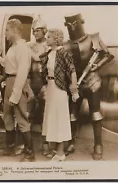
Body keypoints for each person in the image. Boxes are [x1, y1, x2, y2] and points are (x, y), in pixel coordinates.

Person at [63, 13, 114, 160]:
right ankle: (71, 142)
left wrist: (96, 66)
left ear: (80, 22)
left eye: (74, 23)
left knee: (95, 113)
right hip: (75, 82)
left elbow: (108, 55)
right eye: (69, 24)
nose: (72, 27)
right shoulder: (66, 45)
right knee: (72, 113)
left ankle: (98, 144)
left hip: (92, 81)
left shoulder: (94, 38)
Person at [40, 28, 79, 161]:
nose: (46, 39)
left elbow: (72, 71)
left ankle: (61, 153)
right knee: (51, 118)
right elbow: (45, 71)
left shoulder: (63, 53)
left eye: (49, 37)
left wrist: (74, 88)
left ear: (56, 39)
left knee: (59, 119)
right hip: (51, 88)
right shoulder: (49, 53)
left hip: (59, 89)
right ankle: (55, 150)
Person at [1, 18, 35, 162]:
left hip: (17, 84)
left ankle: (30, 153)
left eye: (7, 30)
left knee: (21, 118)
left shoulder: (22, 48)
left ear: (15, 30)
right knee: (7, 116)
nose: (5, 34)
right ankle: (10, 147)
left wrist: (15, 95)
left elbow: (21, 73)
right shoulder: (13, 47)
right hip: (9, 81)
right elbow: (10, 65)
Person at [27, 16, 51, 156]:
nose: (35, 33)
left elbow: (41, 59)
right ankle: (26, 146)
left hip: (44, 84)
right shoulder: (29, 45)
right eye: (33, 31)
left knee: (44, 116)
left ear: (44, 31)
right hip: (31, 83)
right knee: (26, 115)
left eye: (37, 30)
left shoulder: (49, 46)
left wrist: (46, 85)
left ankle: (45, 145)